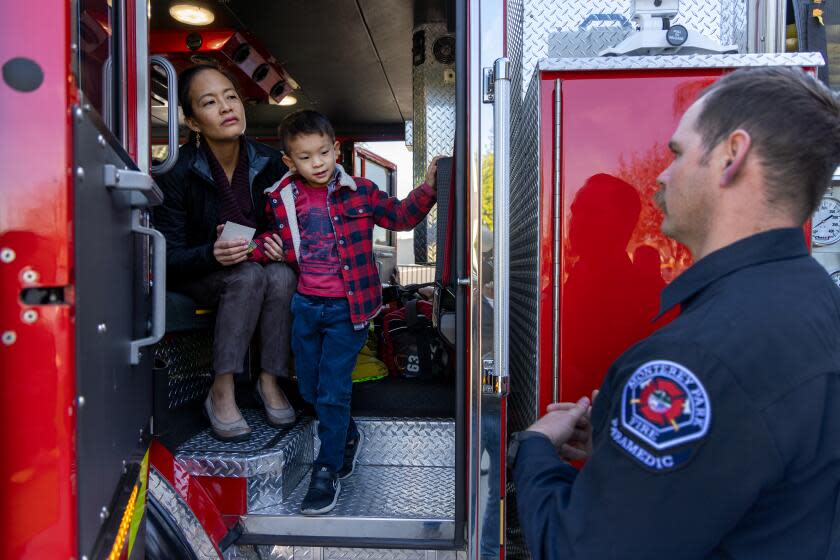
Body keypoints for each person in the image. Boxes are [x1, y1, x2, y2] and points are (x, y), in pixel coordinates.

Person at [509, 66, 840, 559]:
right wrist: (621, 456)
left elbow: (578, 550)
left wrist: (535, 450)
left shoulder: (691, 360)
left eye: (678, 153)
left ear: (733, 155)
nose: (661, 175)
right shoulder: (817, 299)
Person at [250, 110, 440, 515]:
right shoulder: (280, 197)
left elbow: (401, 216)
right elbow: (275, 239)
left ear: (336, 149)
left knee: (333, 390)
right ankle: (348, 436)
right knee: (309, 387)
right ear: (289, 161)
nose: (317, 163)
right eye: (305, 157)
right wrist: (259, 247)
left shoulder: (363, 191)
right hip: (305, 306)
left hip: (348, 310)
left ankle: (328, 468)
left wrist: (427, 188)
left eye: (323, 152)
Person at [154, 65, 297, 442]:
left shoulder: (270, 162)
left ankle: (269, 381)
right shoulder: (176, 171)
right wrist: (213, 254)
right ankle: (221, 390)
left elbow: (290, 223)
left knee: (281, 274)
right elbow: (165, 256)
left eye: (231, 96)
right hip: (203, 273)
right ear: (192, 121)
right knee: (248, 275)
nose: (226, 107)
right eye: (209, 102)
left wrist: (281, 243)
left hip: (259, 266)